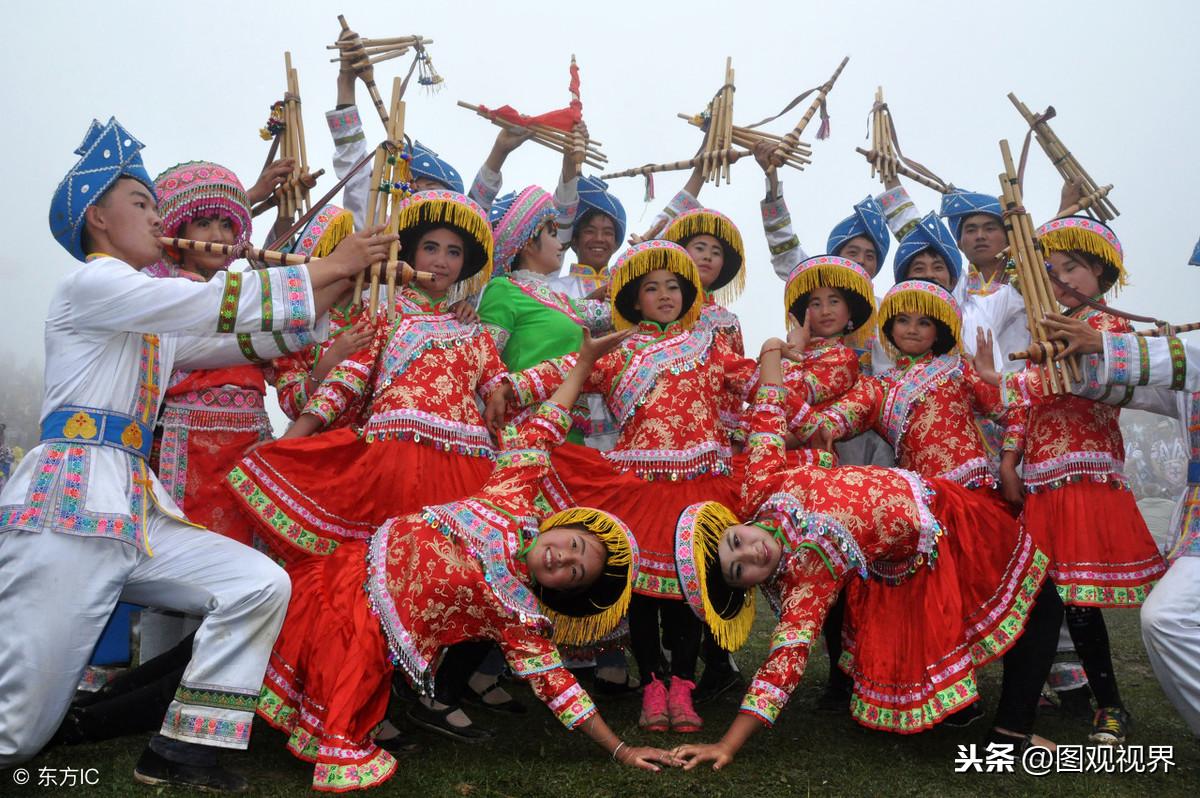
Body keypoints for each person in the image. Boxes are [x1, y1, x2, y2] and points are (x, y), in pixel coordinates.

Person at [0, 117, 389, 790]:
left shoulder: (141, 315)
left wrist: (331, 287)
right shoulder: (93, 285)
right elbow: (214, 306)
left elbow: (238, 342)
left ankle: (183, 749)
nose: (157, 218)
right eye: (142, 204)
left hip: (128, 502)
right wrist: (334, 265)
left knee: (258, 583)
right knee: (18, 730)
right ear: (98, 217)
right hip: (71, 508)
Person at [256, 328, 681, 791]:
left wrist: (620, 748)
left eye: (574, 574)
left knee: (276, 665)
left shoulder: (519, 615)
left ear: (564, 591)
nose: (561, 559)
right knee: (238, 638)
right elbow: (546, 427)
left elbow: (560, 689)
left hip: (361, 638)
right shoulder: (515, 493)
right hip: (335, 574)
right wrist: (582, 366)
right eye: (575, 546)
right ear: (564, 526)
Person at [672, 341, 1062, 770]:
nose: (750, 553)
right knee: (1039, 601)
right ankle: (1010, 732)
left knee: (1037, 599)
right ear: (747, 589)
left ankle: (1008, 726)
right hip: (930, 547)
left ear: (731, 525)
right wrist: (727, 745)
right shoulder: (804, 578)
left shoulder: (760, 488)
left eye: (734, 543)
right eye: (739, 571)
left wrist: (769, 353)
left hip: (948, 507)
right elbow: (783, 663)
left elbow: (768, 410)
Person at [491, 240, 755, 734]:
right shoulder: (620, 348)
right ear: (633, 299)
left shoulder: (709, 344)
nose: (664, 295)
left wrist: (786, 362)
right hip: (639, 486)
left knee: (689, 589)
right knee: (645, 595)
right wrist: (512, 385)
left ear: (688, 293)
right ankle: (652, 685)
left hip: (701, 486)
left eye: (673, 287)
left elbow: (753, 380)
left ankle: (684, 685)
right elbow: (570, 371)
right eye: (651, 288)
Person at [227, 190, 502, 563]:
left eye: (453, 252)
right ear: (409, 256)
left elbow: (502, 394)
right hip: (393, 461)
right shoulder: (382, 311)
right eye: (431, 248)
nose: (441, 261)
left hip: (467, 466)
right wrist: (289, 442)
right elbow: (347, 380)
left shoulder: (473, 328)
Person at [985, 216, 1168, 745]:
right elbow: (1028, 400)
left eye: (1074, 268)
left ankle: (1110, 706)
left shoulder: (1106, 328)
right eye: (1053, 269)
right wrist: (1010, 456)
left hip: (1085, 471)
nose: (1062, 278)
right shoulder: (1049, 331)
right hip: (1041, 477)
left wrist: (1008, 377)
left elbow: (1082, 378)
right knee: (1038, 593)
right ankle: (1031, 704)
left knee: (1078, 598)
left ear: (1102, 275)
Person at [1041, 311, 1200, 736]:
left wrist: (1101, 342)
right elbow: (1130, 391)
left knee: (1167, 618)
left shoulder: (1190, 353)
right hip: (1197, 521)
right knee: (1165, 618)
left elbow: (1176, 360)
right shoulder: (1188, 368)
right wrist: (1059, 364)